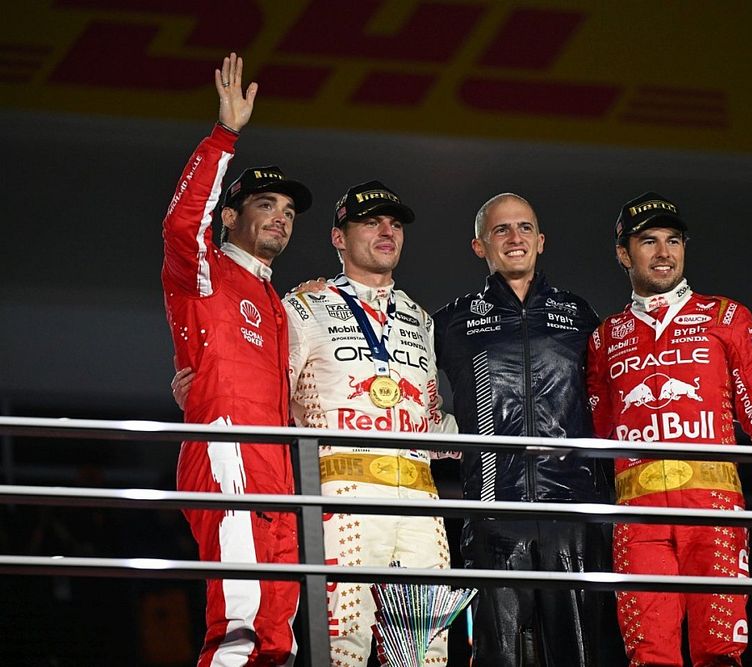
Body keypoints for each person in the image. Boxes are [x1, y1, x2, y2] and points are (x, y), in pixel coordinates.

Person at [585, 192, 752, 667]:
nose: (664, 253)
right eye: (649, 242)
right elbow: (599, 435)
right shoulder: (603, 338)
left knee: (720, 654)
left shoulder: (726, 316)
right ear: (623, 253)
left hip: (715, 510)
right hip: (637, 517)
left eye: (673, 240)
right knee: (648, 655)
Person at [163, 53, 312, 666]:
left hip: (277, 468)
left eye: (288, 211)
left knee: (279, 635)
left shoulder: (276, 301)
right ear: (230, 216)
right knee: (241, 624)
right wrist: (226, 135)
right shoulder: (208, 274)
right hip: (228, 453)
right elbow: (180, 226)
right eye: (265, 205)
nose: (280, 217)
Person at [433, 193, 625, 667]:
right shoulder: (449, 322)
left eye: (524, 228)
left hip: (575, 515)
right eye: (500, 230)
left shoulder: (582, 316)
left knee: (579, 656)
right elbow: (395, 367)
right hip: (494, 514)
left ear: (541, 241)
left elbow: (617, 402)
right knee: (498, 658)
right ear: (479, 246)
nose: (514, 237)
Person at [283, 180, 456, 666]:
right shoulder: (302, 307)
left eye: (395, 224)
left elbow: (431, 416)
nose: (387, 231)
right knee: (344, 646)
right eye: (370, 221)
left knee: (426, 652)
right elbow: (271, 399)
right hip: (343, 498)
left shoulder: (420, 318)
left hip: (421, 500)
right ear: (339, 238)